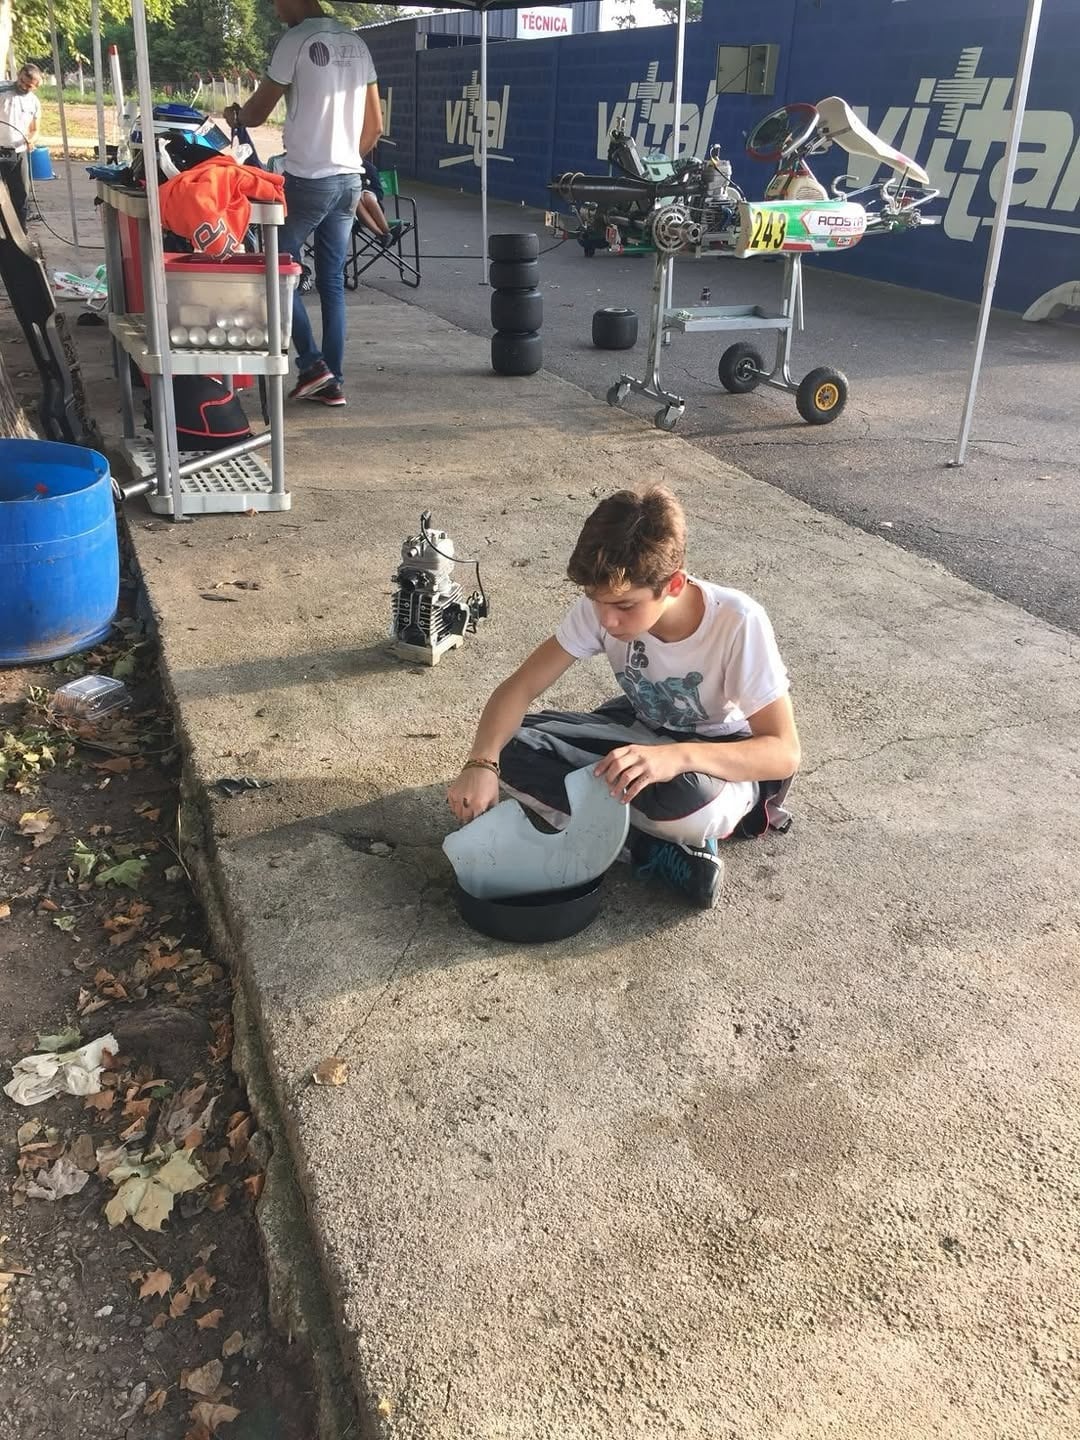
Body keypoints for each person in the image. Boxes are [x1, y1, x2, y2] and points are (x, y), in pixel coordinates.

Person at [446, 486, 800, 909]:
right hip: (638, 730)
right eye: (597, 602)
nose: (608, 620)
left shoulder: (738, 622)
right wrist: (481, 762)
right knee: (507, 747)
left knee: (687, 805)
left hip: (714, 756)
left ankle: (653, 838)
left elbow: (783, 752)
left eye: (625, 606)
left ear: (674, 584)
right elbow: (518, 688)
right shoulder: (602, 606)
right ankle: (644, 846)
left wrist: (678, 758)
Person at [225, 0, 381, 409]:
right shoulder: (358, 44)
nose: (276, 11)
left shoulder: (294, 40)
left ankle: (313, 365)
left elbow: (257, 114)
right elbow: (376, 125)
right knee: (332, 284)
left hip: (308, 180)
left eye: (277, 2)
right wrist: (349, 158)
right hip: (350, 180)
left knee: (275, 268)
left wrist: (236, 113)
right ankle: (334, 382)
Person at [0, 64, 44, 231]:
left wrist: (31, 140)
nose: (22, 86)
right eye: (21, 81)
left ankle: (20, 233)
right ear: (18, 75)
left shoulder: (34, 102)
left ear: (35, 87)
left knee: (21, 194)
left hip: (18, 152)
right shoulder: (2, 89)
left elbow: (35, 129)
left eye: (28, 85)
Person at [355, 155, 391, 245]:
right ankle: (383, 234)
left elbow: (379, 193)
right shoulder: (342, 170)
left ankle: (385, 232)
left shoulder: (368, 167)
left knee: (368, 197)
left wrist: (367, 191)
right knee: (356, 201)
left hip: (373, 206)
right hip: (353, 211)